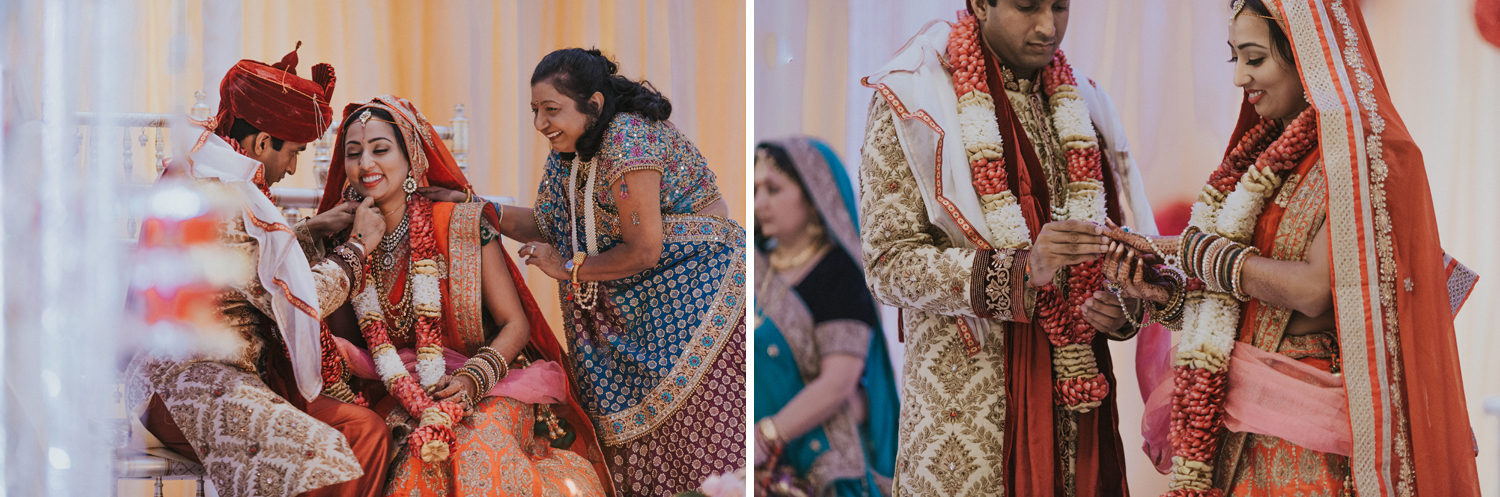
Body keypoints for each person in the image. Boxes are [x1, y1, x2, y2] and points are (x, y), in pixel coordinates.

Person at [1101, 0, 1482, 495]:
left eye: (1255, 59)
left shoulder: (1364, 156)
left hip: (1317, 435)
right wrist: (1166, 291)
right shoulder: (1260, 155)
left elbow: (1315, 290)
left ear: (1306, 55)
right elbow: (1243, 297)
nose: (1240, 77)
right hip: (1238, 428)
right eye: (1233, 58)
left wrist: (1190, 254)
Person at [855, 0, 1158, 494]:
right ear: (979, 4)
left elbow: (1124, 244)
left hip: (1077, 400)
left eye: (1060, 7)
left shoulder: (1085, 102)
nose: (1047, 26)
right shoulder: (913, 99)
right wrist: (1021, 269)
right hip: (970, 411)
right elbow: (889, 263)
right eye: (1026, 7)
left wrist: (1122, 307)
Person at [421, 48, 746, 495]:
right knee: (650, 450)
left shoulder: (629, 140)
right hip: (636, 316)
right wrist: (477, 208)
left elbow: (645, 249)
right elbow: (550, 224)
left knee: (704, 440)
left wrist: (569, 268)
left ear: (592, 103)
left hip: (698, 301)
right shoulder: (570, 153)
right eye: (535, 111)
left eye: (551, 110)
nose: (540, 124)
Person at [125, 44, 393, 496]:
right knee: (327, 457)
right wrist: (358, 248)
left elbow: (256, 268)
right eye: (294, 152)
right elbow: (290, 298)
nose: (292, 167)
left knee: (366, 431)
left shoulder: (219, 175)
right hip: (184, 385)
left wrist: (309, 232)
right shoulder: (216, 191)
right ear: (263, 141)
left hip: (240, 377)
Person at [313, 95, 608, 496]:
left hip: (489, 383)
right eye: (353, 153)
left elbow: (515, 324)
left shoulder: (462, 224)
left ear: (413, 156)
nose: (365, 164)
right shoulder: (347, 244)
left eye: (380, 149)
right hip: (402, 391)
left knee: (475, 445)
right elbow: (345, 343)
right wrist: (335, 244)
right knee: (418, 457)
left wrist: (472, 380)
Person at [751, 137, 898, 497]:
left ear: (814, 194)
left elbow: (838, 383)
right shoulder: (750, 268)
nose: (759, 203)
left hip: (817, 458)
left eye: (773, 189)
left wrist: (765, 437)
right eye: (755, 190)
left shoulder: (839, 273)